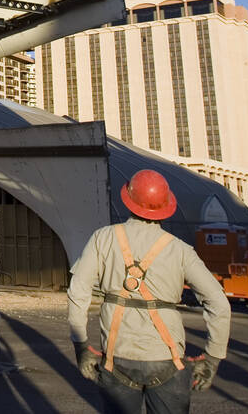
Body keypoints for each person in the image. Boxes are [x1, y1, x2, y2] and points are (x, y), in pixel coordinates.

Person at [68, 169, 231, 413]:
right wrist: (212, 358)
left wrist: (81, 347)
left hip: (117, 356)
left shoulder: (103, 238)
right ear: (167, 206)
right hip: (167, 360)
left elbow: (78, 292)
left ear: (128, 201)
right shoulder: (180, 250)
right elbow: (219, 304)